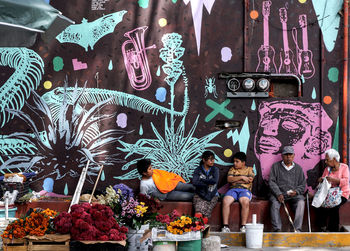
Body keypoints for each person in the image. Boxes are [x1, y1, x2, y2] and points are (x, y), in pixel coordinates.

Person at [269, 146, 306, 232]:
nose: (288, 157)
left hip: (293, 195)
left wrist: (296, 192)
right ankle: (277, 229)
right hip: (279, 194)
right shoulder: (275, 167)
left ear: (294, 156)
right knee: (274, 204)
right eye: (286, 155)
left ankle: (297, 229)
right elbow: (272, 182)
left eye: (290, 155)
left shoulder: (298, 168)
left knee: (301, 202)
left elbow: (302, 184)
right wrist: (278, 193)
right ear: (282, 156)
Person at [316, 149, 349, 232]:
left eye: (327, 159)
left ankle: (333, 230)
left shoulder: (344, 167)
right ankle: (322, 227)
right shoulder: (327, 169)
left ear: (334, 159)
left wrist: (334, 180)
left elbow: (345, 181)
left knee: (334, 206)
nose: (326, 162)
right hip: (329, 194)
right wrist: (321, 180)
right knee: (319, 204)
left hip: (342, 193)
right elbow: (324, 180)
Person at [221, 152, 255, 233]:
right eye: (234, 161)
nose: (234, 163)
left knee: (245, 202)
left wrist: (235, 179)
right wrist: (242, 177)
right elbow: (229, 180)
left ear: (243, 163)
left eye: (237, 161)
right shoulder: (232, 169)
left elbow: (250, 180)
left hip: (245, 190)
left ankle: (243, 226)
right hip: (233, 190)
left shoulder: (249, 169)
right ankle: (225, 226)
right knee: (225, 201)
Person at [192, 151, 219, 219]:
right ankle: (197, 228)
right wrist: (207, 184)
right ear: (204, 160)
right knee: (198, 212)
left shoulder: (215, 169)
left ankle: (203, 228)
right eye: (210, 159)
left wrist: (202, 180)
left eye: (213, 159)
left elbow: (214, 181)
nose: (212, 161)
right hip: (200, 194)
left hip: (213, 195)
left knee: (206, 214)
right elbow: (195, 182)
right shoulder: (198, 170)